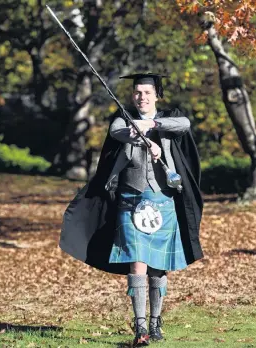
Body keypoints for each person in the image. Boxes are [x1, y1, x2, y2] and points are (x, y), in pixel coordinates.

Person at [59, 73, 204, 347]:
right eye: (138, 92)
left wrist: (153, 126)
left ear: (156, 95)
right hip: (131, 198)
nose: (142, 97)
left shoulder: (170, 117)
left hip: (163, 199)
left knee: (159, 267)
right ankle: (140, 328)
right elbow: (117, 131)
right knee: (137, 260)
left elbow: (184, 125)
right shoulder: (123, 118)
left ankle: (155, 322)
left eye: (147, 92)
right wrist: (138, 135)